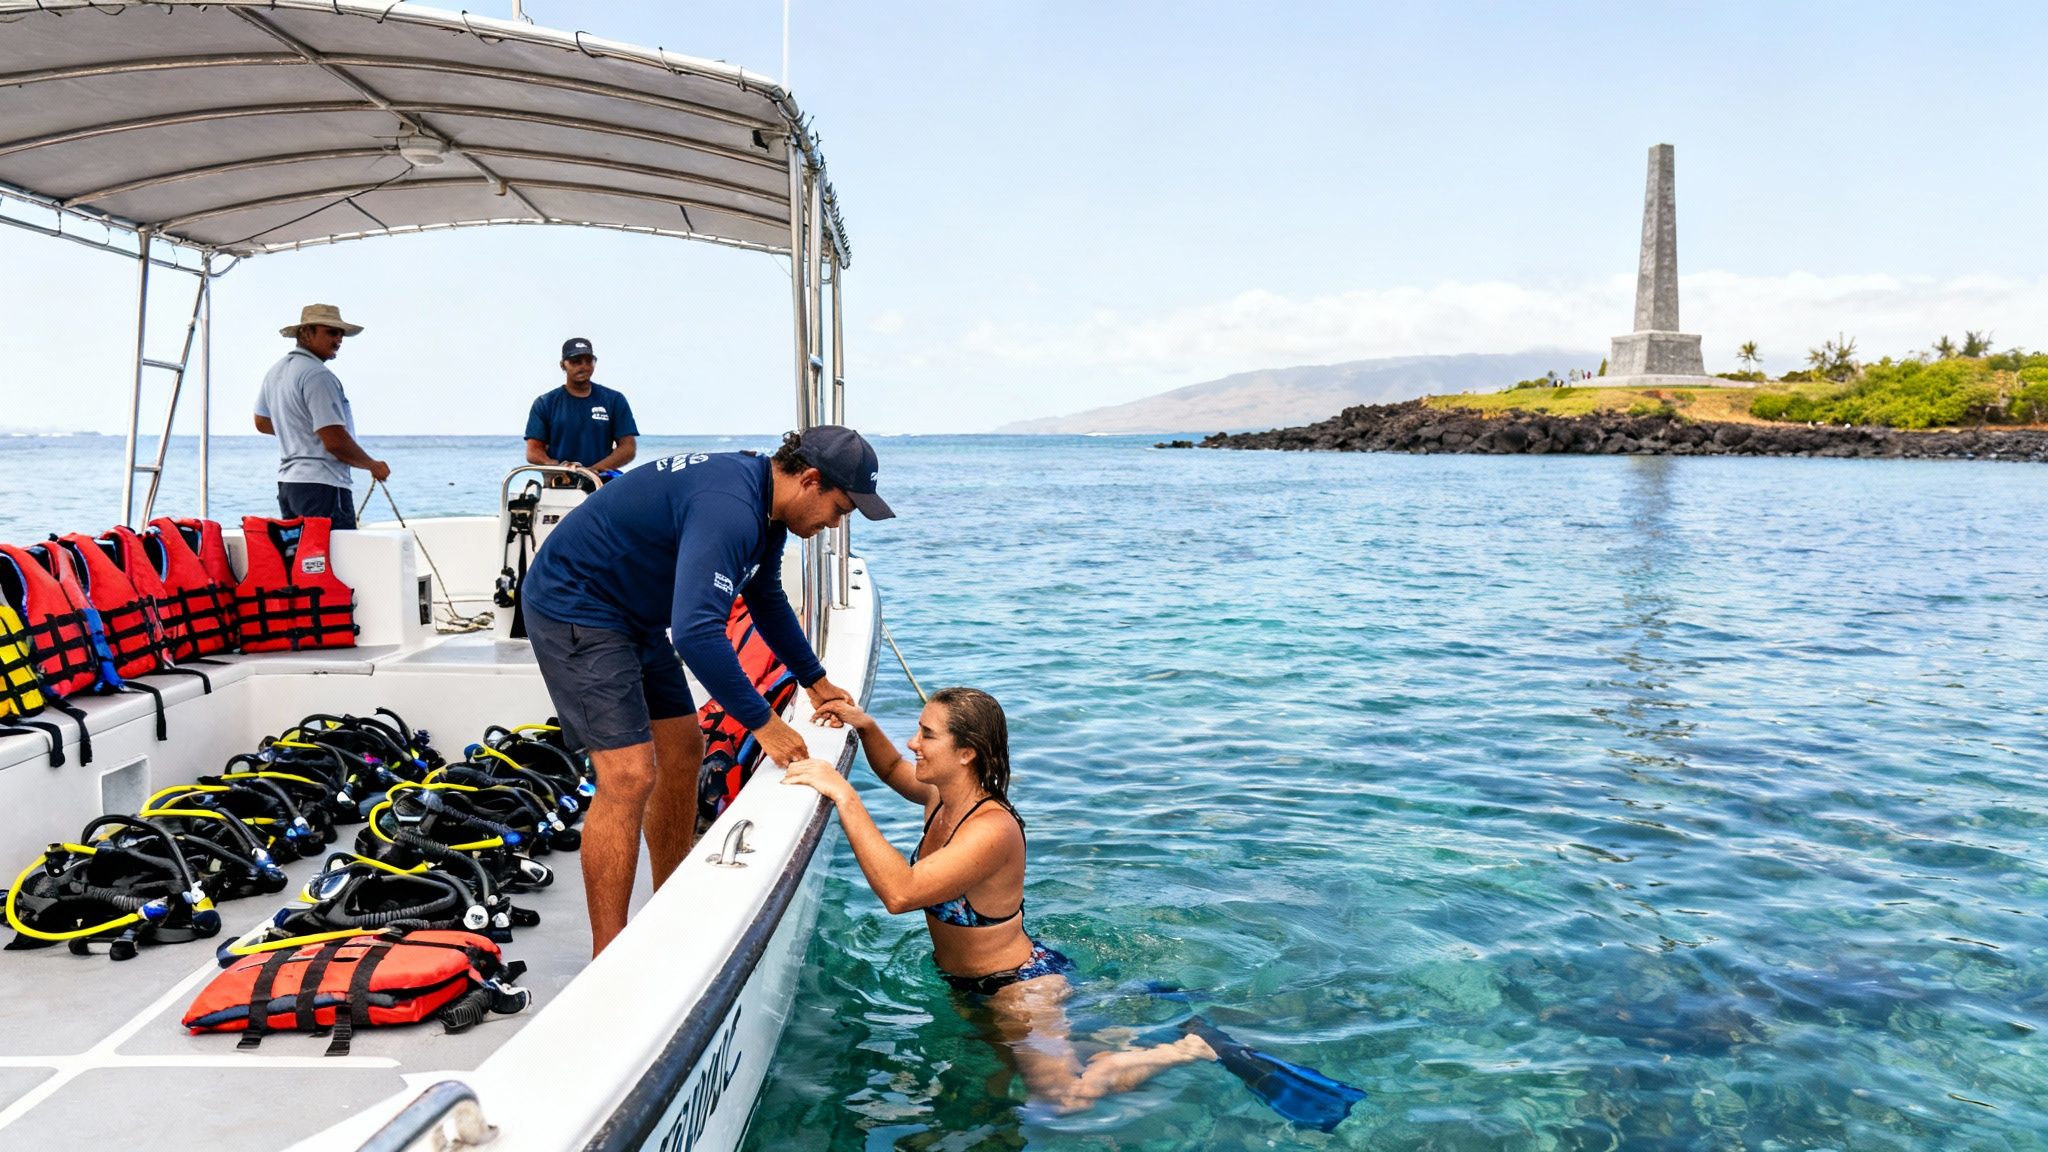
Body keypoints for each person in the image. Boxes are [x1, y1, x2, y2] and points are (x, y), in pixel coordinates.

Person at [785, 689, 1370, 1126]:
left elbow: (901, 893)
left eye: (927, 734)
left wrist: (841, 793)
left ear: (966, 753)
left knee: (1062, 1098)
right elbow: (892, 769)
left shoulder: (991, 830)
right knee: (993, 1091)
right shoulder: (940, 793)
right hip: (971, 985)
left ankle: (1192, 1047)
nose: (914, 743)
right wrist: (862, 727)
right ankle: (1119, 1034)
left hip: (1017, 987)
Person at [519, 425, 894, 956]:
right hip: (576, 604)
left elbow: (764, 597)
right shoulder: (731, 508)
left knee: (683, 749)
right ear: (810, 480)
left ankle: (670, 902)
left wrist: (815, 680)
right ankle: (611, 955)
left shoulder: (767, 509)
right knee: (628, 775)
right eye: (840, 509)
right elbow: (696, 633)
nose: (836, 523)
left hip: (633, 613)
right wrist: (766, 725)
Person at [254, 304, 389, 530]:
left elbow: (262, 422)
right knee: (332, 561)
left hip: (290, 487)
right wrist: (372, 464)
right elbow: (334, 440)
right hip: (322, 487)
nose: (339, 339)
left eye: (341, 334)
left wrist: (300, 430)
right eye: (331, 332)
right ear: (307, 333)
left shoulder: (275, 371)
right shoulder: (318, 375)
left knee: (307, 561)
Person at [524, 337, 638, 474]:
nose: (583, 366)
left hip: (601, 483)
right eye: (575, 361)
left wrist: (593, 471)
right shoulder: (545, 403)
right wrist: (559, 467)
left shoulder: (614, 400)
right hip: (559, 483)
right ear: (562, 365)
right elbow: (533, 451)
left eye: (588, 361)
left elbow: (628, 448)